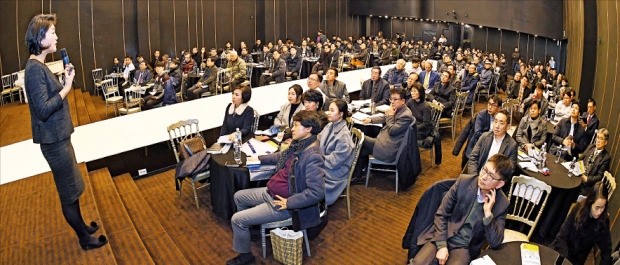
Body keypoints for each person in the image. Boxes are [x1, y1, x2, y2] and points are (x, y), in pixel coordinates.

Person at [24, 13, 107, 250]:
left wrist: (63, 80)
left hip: (60, 137)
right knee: (68, 193)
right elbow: (43, 109)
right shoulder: (33, 69)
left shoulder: (39, 66)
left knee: (73, 188)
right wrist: (67, 87)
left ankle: (82, 226)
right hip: (54, 141)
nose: (57, 37)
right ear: (40, 38)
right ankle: (84, 238)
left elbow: (47, 96)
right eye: (52, 33)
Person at [227, 111, 325, 265]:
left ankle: (245, 256)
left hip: (283, 204)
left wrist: (290, 203)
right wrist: (259, 158)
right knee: (239, 196)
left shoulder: (312, 155)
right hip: (271, 193)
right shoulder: (298, 144)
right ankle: (249, 230)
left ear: (308, 129)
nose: (292, 128)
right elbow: (281, 156)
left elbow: (317, 192)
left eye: (296, 125)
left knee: (237, 220)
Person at [411, 154, 514, 265]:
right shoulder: (464, 182)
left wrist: (488, 213)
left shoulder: (502, 204)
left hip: (464, 247)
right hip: (444, 234)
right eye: (484, 170)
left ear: (500, 184)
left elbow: (495, 242)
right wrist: (442, 245)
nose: (484, 177)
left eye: (491, 176)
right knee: (418, 263)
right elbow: (441, 214)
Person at [352, 88, 414, 183]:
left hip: (389, 148)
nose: (392, 102)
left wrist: (389, 116)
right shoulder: (399, 109)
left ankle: (353, 172)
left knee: (360, 138)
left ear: (403, 101)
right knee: (362, 149)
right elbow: (385, 117)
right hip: (385, 141)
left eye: (395, 99)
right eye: (391, 99)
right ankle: (357, 175)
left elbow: (393, 130)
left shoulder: (406, 115)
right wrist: (371, 120)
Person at [551, 182, 612, 265]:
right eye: (597, 207)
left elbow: (606, 249)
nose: (599, 212)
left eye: (603, 207)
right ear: (590, 203)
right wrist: (566, 261)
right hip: (562, 251)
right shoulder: (577, 209)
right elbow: (561, 237)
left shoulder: (603, 220)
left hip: (577, 260)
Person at [319, 99, 355, 206]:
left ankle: (314, 203)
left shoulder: (343, 136)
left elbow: (335, 161)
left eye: (332, 110)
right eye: (328, 110)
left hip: (336, 170)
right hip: (327, 161)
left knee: (309, 171)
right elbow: (318, 138)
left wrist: (317, 158)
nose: (328, 113)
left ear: (341, 114)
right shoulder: (330, 125)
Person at [466, 110, 518, 176]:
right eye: (495, 121)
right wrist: (474, 177)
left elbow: (510, 170)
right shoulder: (484, 137)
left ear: (508, 127)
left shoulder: (512, 145)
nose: (497, 126)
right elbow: (473, 158)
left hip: (494, 181)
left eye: (501, 123)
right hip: (478, 174)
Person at [578, 128, 611, 195]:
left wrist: (587, 179)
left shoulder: (606, 158)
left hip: (588, 186)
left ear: (606, 142)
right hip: (579, 176)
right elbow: (580, 159)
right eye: (597, 137)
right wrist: (581, 171)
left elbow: (599, 176)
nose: (598, 140)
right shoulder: (591, 147)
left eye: (601, 138)